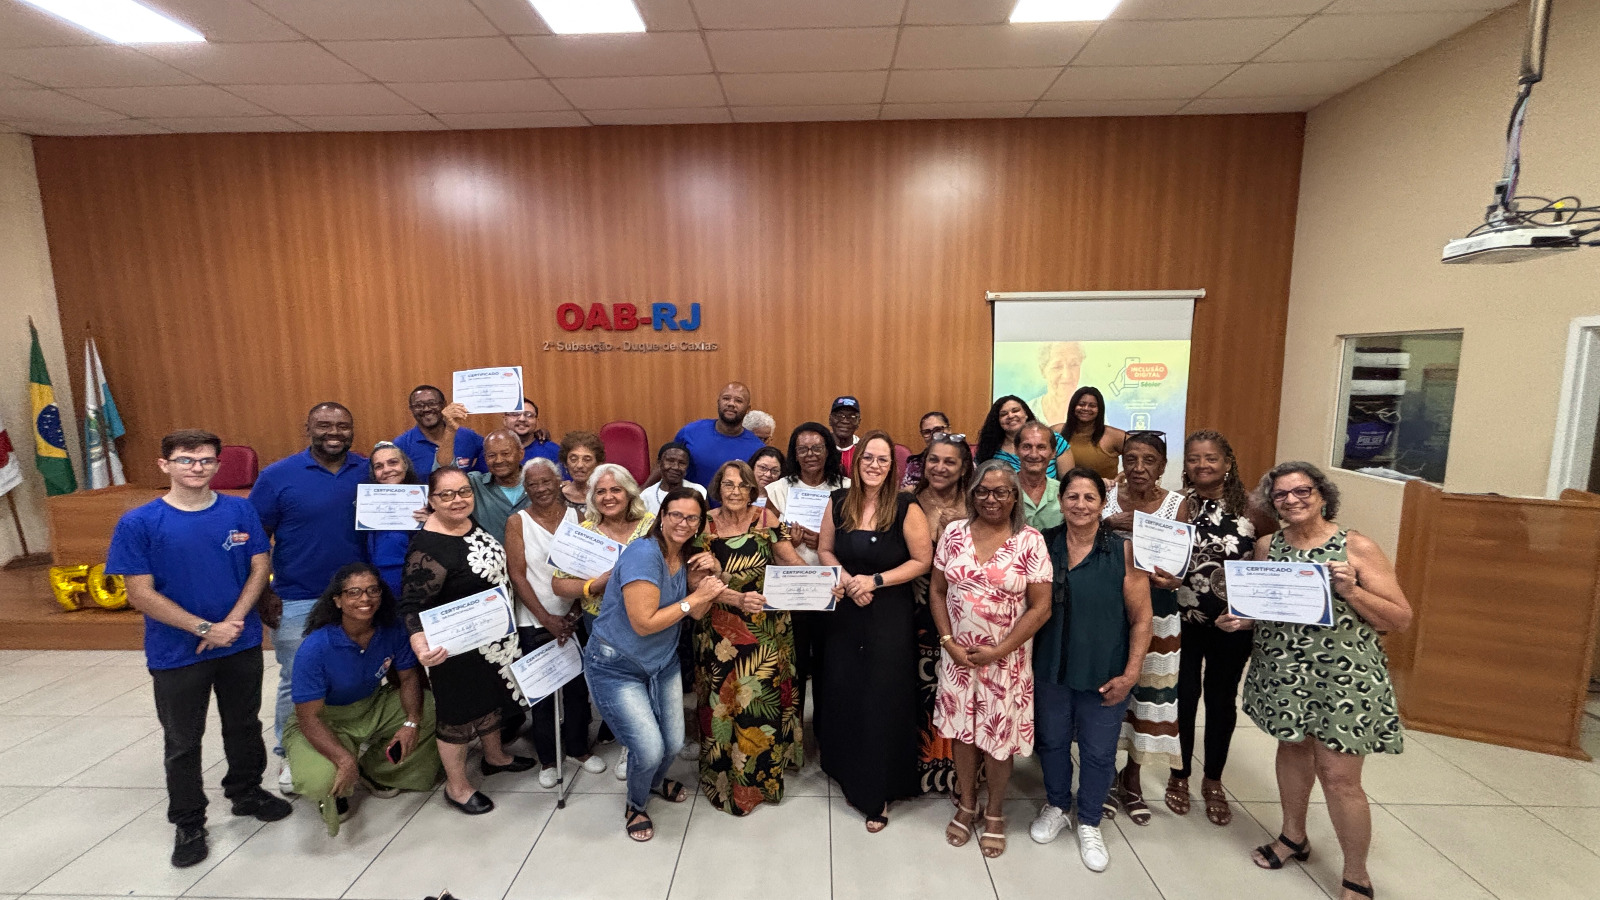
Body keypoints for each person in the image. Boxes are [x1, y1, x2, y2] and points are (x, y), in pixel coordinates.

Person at [1218, 462, 1410, 900]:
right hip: (1283, 670)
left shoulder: (1355, 547)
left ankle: (1356, 873)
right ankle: (1293, 836)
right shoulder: (1268, 545)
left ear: (1322, 495)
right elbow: (1268, 607)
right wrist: (1241, 620)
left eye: (1302, 491)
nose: (1292, 500)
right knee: (1292, 749)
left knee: (1339, 776)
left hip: (1343, 676)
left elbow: (1400, 619)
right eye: (1281, 494)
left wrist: (1353, 591)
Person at [107, 429, 290, 868]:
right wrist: (204, 627)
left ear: (217, 465)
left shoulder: (239, 510)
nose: (197, 467)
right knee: (183, 739)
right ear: (164, 465)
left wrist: (232, 624)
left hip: (239, 641)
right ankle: (189, 820)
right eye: (186, 460)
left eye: (206, 460)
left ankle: (246, 792)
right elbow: (140, 592)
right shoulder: (139, 522)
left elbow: (259, 567)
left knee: (243, 724)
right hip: (176, 651)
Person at [1028, 467, 1152, 873]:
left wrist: (1131, 673)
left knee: (1099, 751)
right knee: (1052, 741)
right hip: (1050, 665)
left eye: (1089, 497)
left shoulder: (1123, 551)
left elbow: (1142, 618)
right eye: (1072, 496)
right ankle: (1057, 804)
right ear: (1060, 501)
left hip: (1105, 669)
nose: (1080, 505)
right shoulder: (1042, 544)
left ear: (1102, 504)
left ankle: (1090, 820)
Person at [583, 489, 722, 841]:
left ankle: (654, 783)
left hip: (661, 661)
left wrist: (712, 580)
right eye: (676, 515)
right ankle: (636, 803)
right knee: (648, 749)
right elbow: (644, 623)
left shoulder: (686, 554)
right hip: (616, 664)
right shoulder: (644, 553)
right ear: (661, 516)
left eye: (692, 518)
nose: (683, 523)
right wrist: (696, 598)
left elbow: (699, 609)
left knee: (673, 743)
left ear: (699, 524)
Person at [931, 460, 1053, 859]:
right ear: (972, 495)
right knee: (963, 736)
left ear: (1015, 497)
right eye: (983, 491)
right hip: (959, 659)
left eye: (1001, 491)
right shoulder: (954, 533)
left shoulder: (1030, 541)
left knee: (998, 742)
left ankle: (995, 810)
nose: (991, 499)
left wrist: (1000, 650)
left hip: (1006, 662)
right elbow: (937, 591)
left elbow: (1041, 608)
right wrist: (948, 641)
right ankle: (968, 804)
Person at [400, 466, 534, 816]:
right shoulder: (427, 547)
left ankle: (495, 757)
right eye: (446, 495)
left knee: (490, 699)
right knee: (457, 717)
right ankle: (457, 787)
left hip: (490, 638)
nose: (457, 500)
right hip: (453, 647)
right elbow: (412, 604)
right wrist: (420, 645)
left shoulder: (467, 523)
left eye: (463, 492)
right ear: (431, 500)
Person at [817, 430, 933, 831]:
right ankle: (845, 770)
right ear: (856, 460)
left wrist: (875, 581)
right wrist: (849, 580)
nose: (874, 465)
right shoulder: (838, 501)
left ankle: (878, 788)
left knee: (880, 695)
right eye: (868, 457)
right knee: (845, 689)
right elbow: (825, 550)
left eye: (883, 459)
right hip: (845, 611)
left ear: (892, 466)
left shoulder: (906, 505)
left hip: (888, 613)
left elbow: (922, 560)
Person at [250, 402, 368, 795]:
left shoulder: (368, 470)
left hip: (360, 597)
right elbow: (255, 539)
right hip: (298, 596)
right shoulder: (276, 476)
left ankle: (348, 743)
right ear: (308, 428)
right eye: (324, 425)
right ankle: (290, 752)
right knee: (297, 678)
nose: (334, 432)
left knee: (355, 671)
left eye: (343, 425)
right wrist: (264, 590)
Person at [1167, 430, 1277, 826]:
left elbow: (1269, 563)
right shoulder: (1176, 504)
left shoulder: (1253, 508)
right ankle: (1179, 773)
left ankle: (1213, 778)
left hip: (1233, 624)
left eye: (1210, 458)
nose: (1202, 465)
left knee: (1220, 698)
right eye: (1194, 458)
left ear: (1227, 463)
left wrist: (1251, 612)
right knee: (1182, 697)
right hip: (1181, 619)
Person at [284, 563, 441, 835]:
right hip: (325, 718)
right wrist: (344, 760)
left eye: (372, 590)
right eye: (354, 592)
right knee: (321, 780)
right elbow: (309, 718)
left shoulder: (391, 629)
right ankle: (337, 777)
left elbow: (408, 679)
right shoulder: (316, 647)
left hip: (371, 705)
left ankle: (374, 770)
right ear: (338, 600)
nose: (365, 598)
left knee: (430, 708)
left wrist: (412, 722)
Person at [691, 460, 806, 815]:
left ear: (753, 489)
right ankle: (725, 780)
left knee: (760, 705)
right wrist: (735, 595)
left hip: (766, 631)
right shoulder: (704, 523)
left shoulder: (766, 519)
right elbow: (696, 583)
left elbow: (791, 563)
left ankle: (761, 782)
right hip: (719, 632)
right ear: (718, 488)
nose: (735, 491)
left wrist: (821, 582)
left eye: (743, 485)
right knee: (722, 705)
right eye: (728, 484)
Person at [1100, 431, 1188, 825]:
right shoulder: (1105, 495)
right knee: (1107, 693)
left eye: (1149, 460)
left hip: (1158, 611)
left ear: (1162, 465)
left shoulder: (1176, 504)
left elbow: (1178, 565)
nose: (1138, 467)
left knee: (1149, 696)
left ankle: (1131, 777)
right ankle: (1103, 774)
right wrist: (1109, 525)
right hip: (1107, 611)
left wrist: (1174, 578)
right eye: (1131, 458)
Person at [503, 458, 607, 786]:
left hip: (574, 616)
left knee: (577, 689)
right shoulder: (517, 522)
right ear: (525, 488)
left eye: (546, 482)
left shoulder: (579, 518)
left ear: (558, 481)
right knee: (543, 692)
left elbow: (587, 570)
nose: (540, 489)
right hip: (534, 620)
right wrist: (546, 619)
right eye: (532, 484)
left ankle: (578, 749)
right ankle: (548, 759)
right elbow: (517, 576)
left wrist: (573, 613)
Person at [552, 462, 655, 774]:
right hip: (601, 622)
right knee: (616, 687)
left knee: (647, 682)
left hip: (648, 618)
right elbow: (558, 584)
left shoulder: (652, 525)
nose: (608, 497)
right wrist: (593, 585)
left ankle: (641, 747)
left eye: (615, 490)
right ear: (592, 498)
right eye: (601, 492)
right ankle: (629, 742)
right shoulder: (583, 533)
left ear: (629, 492)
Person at [764, 422, 849, 744]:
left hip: (835, 590)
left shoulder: (846, 486)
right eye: (803, 449)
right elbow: (770, 537)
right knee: (793, 667)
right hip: (792, 591)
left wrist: (825, 542)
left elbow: (855, 535)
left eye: (817, 448)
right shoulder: (778, 489)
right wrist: (790, 541)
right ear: (794, 454)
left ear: (828, 450)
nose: (810, 454)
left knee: (831, 667)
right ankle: (793, 739)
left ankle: (829, 737)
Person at [908, 432, 973, 795]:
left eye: (950, 461)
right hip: (913, 612)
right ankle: (920, 769)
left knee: (958, 693)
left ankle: (960, 776)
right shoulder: (907, 501)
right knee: (920, 689)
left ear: (963, 468)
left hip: (963, 614)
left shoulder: (978, 504)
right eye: (934, 460)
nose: (940, 467)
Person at [434, 410, 529, 544]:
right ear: (485, 458)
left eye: (506, 453)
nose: (498, 460)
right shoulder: (474, 484)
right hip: (485, 556)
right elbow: (443, 474)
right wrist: (450, 430)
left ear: (521, 454)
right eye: (491, 455)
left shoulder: (538, 484)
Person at [673, 382, 765, 488]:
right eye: (726, 398)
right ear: (718, 402)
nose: (731, 404)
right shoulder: (690, 432)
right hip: (690, 498)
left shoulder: (757, 448)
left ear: (748, 409)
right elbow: (667, 465)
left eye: (738, 401)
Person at [365, 441, 426, 599]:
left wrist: (432, 523)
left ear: (405, 465)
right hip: (381, 579)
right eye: (379, 466)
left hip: (420, 576)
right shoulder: (366, 504)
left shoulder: (427, 500)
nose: (387, 470)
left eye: (393, 462)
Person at [393, 385, 483, 475]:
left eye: (432, 403)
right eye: (418, 405)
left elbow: (488, 455)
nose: (426, 409)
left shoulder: (468, 436)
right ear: (411, 409)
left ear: (444, 405)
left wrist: (473, 479)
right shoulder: (401, 445)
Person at [977, 396, 1073, 479]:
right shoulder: (989, 448)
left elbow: (1068, 482)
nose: (1010, 415)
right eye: (1003, 414)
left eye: (1015, 410)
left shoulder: (1054, 440)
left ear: (1026, 414)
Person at [1059, 387, 1125, 481]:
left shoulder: (1113, 436)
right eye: (1081, 404)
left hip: (1104, 490)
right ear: (1073, 406)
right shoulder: (1057, 431)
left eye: (1092, 406)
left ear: (1100, 409)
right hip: (1064, 489)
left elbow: (1142, 451)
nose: (1086, 408)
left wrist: (1123, 475)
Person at [1026, 341, 1086, 428]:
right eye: (1057, 366)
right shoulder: (1027, 412)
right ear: (1043, 371)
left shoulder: (1092, 412)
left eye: (1073, 365)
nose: (1067, 375)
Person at [1017, 421, 1063, 530]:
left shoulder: (1064, 492)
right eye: (1027, 447)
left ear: (1053, 453)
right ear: (1016, 450)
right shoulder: (1003, 490)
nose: (1034, 455)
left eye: (1041, 447)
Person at [641, 441, 705, 514]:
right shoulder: (646, 496)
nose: (676, 467)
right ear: (659, 463)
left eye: (682, 463)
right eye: (670, 461)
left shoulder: (698, 490)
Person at [501, 398, 561, 467]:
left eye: (529, 415)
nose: (522, 419)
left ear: (536, 421)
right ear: (505, 420)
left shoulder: (553, 451)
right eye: (515, 414)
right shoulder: (494, 451)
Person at [901, 411, 950, 489]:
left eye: (938, 430)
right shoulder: (915, 464)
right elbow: (906, 493)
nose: (933, 436)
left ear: (949, 430)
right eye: (927, 432)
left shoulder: (963, 459)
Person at [558, 430, 604, 511]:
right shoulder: (556, 497)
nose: (580, 465)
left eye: (587, 460)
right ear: (565, 463)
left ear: (598, 464)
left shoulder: (605, 496)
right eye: (573, 459)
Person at [828, 396, 862, 470]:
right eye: (839, 416)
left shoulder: (863, 450)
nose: (845, 421)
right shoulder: (820, 448)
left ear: (858, 422)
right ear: (830, 419)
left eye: (852, 417)